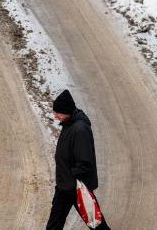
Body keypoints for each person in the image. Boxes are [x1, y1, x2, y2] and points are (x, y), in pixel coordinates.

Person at [46, 89, 111, 230]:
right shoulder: (69, 125)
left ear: (67, 111)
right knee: (54, 224)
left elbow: (85, 161)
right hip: (65, 186)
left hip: (76, 187)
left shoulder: (80, 129)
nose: (55, 116)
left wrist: (72, 177)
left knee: (96, 223)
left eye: (58, 112)